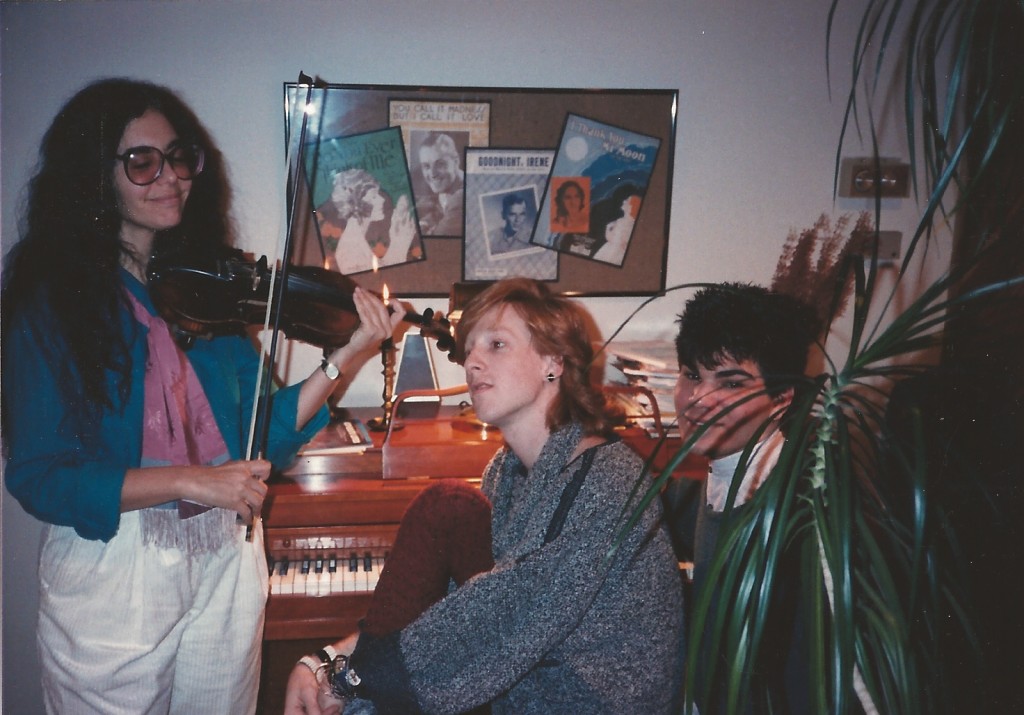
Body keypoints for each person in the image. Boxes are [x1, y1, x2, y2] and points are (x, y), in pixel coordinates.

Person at [0, 78, 403, 715]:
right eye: (142, 161)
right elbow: (41, 476)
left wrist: (348, 354)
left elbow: (263, 436)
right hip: (117, 567)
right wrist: (192, 480)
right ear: (92, 175)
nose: (170, 177)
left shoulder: (205, 294)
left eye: (180, 157)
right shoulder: (53, 305)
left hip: (226, 555)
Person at [284, 277, 685, 715]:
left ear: (555, 361)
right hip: (523, 680)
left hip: (582, 702)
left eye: (496, 345)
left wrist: (348, 679)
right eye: (470, 348)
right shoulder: (506, 469)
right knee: (449, 509)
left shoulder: (607, 481)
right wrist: (327, 656)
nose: (472, 361)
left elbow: (500, 618)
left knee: (449, 507)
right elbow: (459, 603)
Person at [671, 282, 820, 714]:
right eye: (691, 374)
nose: (699, 399)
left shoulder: (795, 512)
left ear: (781, 398)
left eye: (731, 383)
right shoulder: (724, 470)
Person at [323, 168, 419, 274]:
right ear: (357, 205)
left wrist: (397, 240)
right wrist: (401, 245)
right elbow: (380, 278)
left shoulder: (356, 238)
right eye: (374, 197)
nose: (382, 199)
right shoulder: (349, 251)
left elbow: (381, 267)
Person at [415, 132, 464, 236]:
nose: (432, 174)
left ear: (456, 162)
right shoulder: (448, 187)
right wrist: (425, 223)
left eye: (440, 164)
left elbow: (436, 239)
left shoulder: (460, 197)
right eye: (426, 166)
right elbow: (439, 211)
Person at [591, 191, 641, 266]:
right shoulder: (621, 221)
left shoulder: (628, 224)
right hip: (612, 247)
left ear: (631, 207)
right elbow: (609, 235)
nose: (624, 201)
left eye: (627, 200)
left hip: (616, 250)